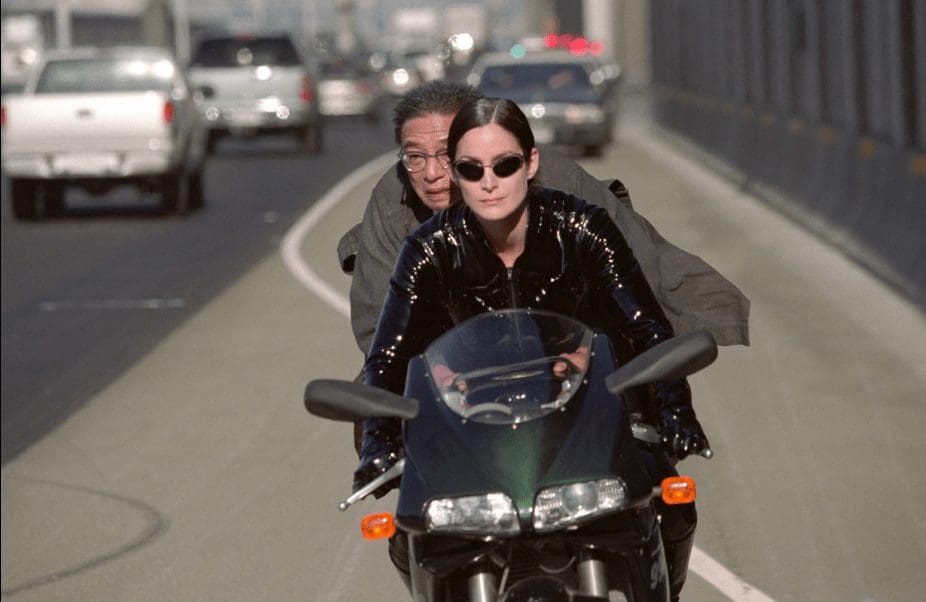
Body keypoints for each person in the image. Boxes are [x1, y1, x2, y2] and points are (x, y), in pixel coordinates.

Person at [355, 97, 712, 600]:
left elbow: (645, 327)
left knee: (672, 507)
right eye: (470, 168)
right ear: (456, 175)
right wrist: (378, 441)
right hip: (476, 423)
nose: (489, 181)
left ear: (531, 162)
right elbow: (388, 358)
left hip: (592, 410)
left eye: (504, 164)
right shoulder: (428, 250)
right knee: (409, 534)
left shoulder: (583, 228)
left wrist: (674, 409)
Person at [338, 81, 750, 365]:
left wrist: (598, 345)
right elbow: (378, 318)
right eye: (415, 157)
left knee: (650, 410)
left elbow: (632, 270)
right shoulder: (393, 200)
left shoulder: (556, 180)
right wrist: (437, 369)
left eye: (448, 155)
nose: (431, 174)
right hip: (459, 360)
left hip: (577, 337)